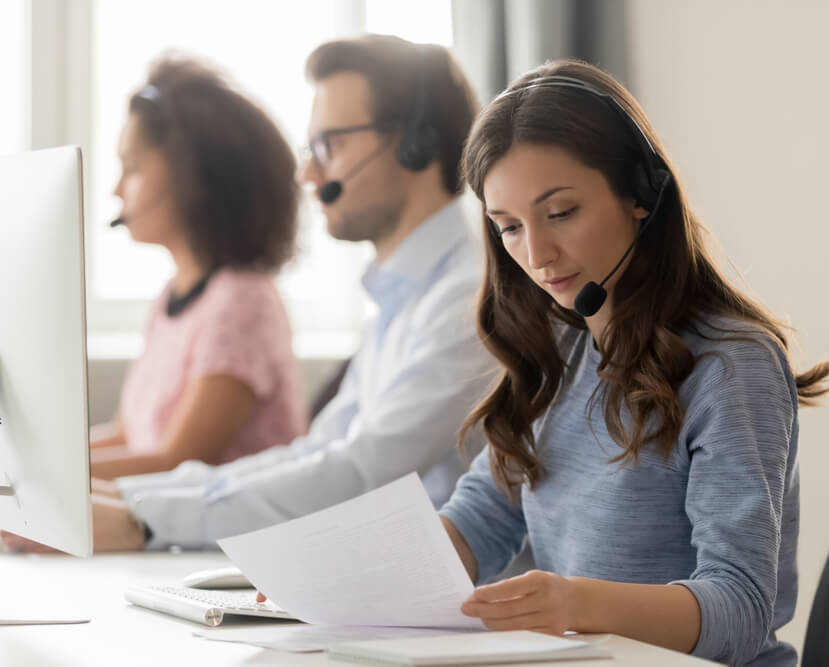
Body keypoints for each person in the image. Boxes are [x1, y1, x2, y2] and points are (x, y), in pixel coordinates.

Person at [2, 35, 492, 553]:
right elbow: (321, 451)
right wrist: (124, 499)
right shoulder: (404, 297)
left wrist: (140, 516)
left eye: (332, 144)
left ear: (416, 143)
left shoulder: (468, 300)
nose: (308, 173)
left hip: (440, 587)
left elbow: (362, 472)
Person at [437, 60, 829, 666]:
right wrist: (354, 578)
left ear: (640, 196)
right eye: (509, 227)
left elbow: (741, 607)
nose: (537, 255)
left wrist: (575, 605)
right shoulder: (563, 352)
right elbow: (483, 518)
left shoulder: (731, 365)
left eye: (561, 212)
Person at [89, 57, 307, 480]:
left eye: (132, 168)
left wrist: (48, 478)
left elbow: (177, 462)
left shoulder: (242, 301)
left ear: (194, 178)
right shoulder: (174, 296)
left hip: (222, 540)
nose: (116, 190)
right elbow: (129, 435)